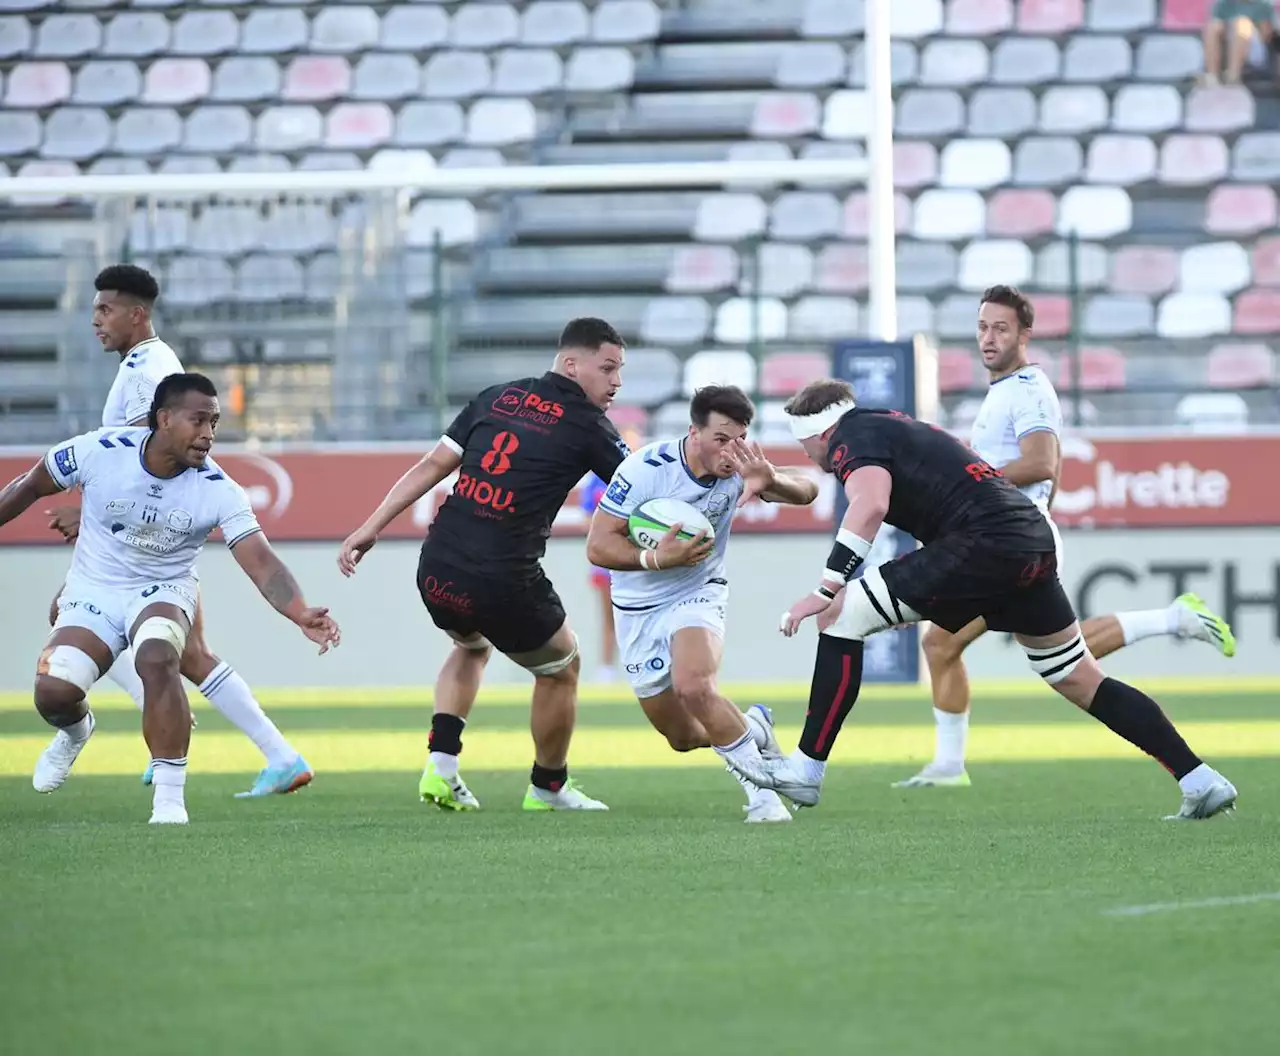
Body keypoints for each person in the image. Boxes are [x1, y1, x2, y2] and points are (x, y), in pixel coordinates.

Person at [726, 378, 1237, 823]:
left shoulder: (850, 439)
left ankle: (807, 768)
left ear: (816, 434)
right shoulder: (880, 424)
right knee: (1077, 676)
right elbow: (833, 488)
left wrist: (824, 588)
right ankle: (1199, 779)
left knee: (838, 616)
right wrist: (772, 480)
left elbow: (871, 502)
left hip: (983, 541)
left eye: (808, 447)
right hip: (1028, 538)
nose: (815, 458)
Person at [898, 286, 1236, 789]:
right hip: (1010, 541)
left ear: (1024, 335)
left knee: (1041, 661)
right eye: (983, 327)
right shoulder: (1003, 391)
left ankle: (944, 764)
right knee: (1034, 657)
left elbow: (1042, 464)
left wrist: (964, 484)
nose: (989, 338)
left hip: (1008, 548)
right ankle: (1175, 624)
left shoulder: (1029, 389)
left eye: (1002, 328)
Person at [0, 374, 340, 824]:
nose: (209, 434)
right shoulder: (99, 451)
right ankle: (76, 731)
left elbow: (261, 560)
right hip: (93, 588)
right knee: (55, 691)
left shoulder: (218, 487)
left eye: (215, 422)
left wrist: (299, 612)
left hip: (163, 589)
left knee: (159, 655)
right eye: (198, 420)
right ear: (163, 418)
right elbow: (28, 485)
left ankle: (169, 800)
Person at [338, 317, 631, 812]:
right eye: (608, 369)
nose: (616, 382)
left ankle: (442, 765)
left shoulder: (497, 395)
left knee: (470, 645)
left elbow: (432, 465)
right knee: (562, 667)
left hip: (438, 566)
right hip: (503, 580)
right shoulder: (589, 426)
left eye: (619, 371)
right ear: (570, 363)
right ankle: (548, 786)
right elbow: (641, 488)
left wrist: (372, 526)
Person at [44, 263, 311, 798]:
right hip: (141, 533)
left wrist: (108, 512)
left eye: (105, 310)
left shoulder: (150, 372)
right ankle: (268, 751)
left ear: (136, 314)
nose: (95, 320)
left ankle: (176, 725)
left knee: (166, 649)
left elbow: (155, 450)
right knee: (182, 653)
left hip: (156, 536)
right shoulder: (141, 362)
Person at [587, 386, 819, 823]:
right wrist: (657, 558)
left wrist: (770, 480)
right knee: (682, 735)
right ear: (694, 432)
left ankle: (763, 799)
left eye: (740, 438)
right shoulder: (645, 469)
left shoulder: (742, 468)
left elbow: (807, 490)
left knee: (695, 686)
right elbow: (598, 546)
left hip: (698, 590)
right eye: (720, 439)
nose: (731, 450)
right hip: (637, 606)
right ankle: (754, 729)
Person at [581, 473, 620, 683]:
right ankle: (606, 668)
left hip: (636, 561)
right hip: (604, 564)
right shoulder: (595, 480)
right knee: (609, 617)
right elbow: (586, 517)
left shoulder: (642, 471)